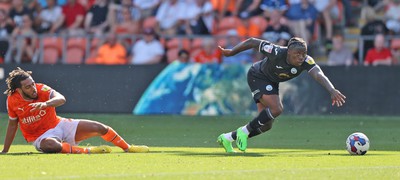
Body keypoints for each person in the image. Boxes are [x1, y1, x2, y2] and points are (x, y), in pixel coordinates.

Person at [217, 37, 346, 152]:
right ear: (289, 52)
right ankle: (243, 131)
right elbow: (252, 42)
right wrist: (231, 52)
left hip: (272, 82)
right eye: (298, 54)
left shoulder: (306, 61)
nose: (301, 57)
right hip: (258, 76)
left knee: (266, 125)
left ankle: (227, 138)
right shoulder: (276, 51)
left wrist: (332, 90)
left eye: (304, 53)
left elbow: (318, 74)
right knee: (277, 109)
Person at [1, 67, 149, 154]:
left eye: (32, 84)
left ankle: (128, 148)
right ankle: (90, 151)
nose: (33, 88)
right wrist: (5, 150)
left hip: (59, 124)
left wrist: (46, 104)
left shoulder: (41, 89)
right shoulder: (12, 101)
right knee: (51, 146)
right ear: (18, 90)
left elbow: (61, 99)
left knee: (100, 128)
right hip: (40, 137)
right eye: (28, 87)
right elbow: (13, 124)